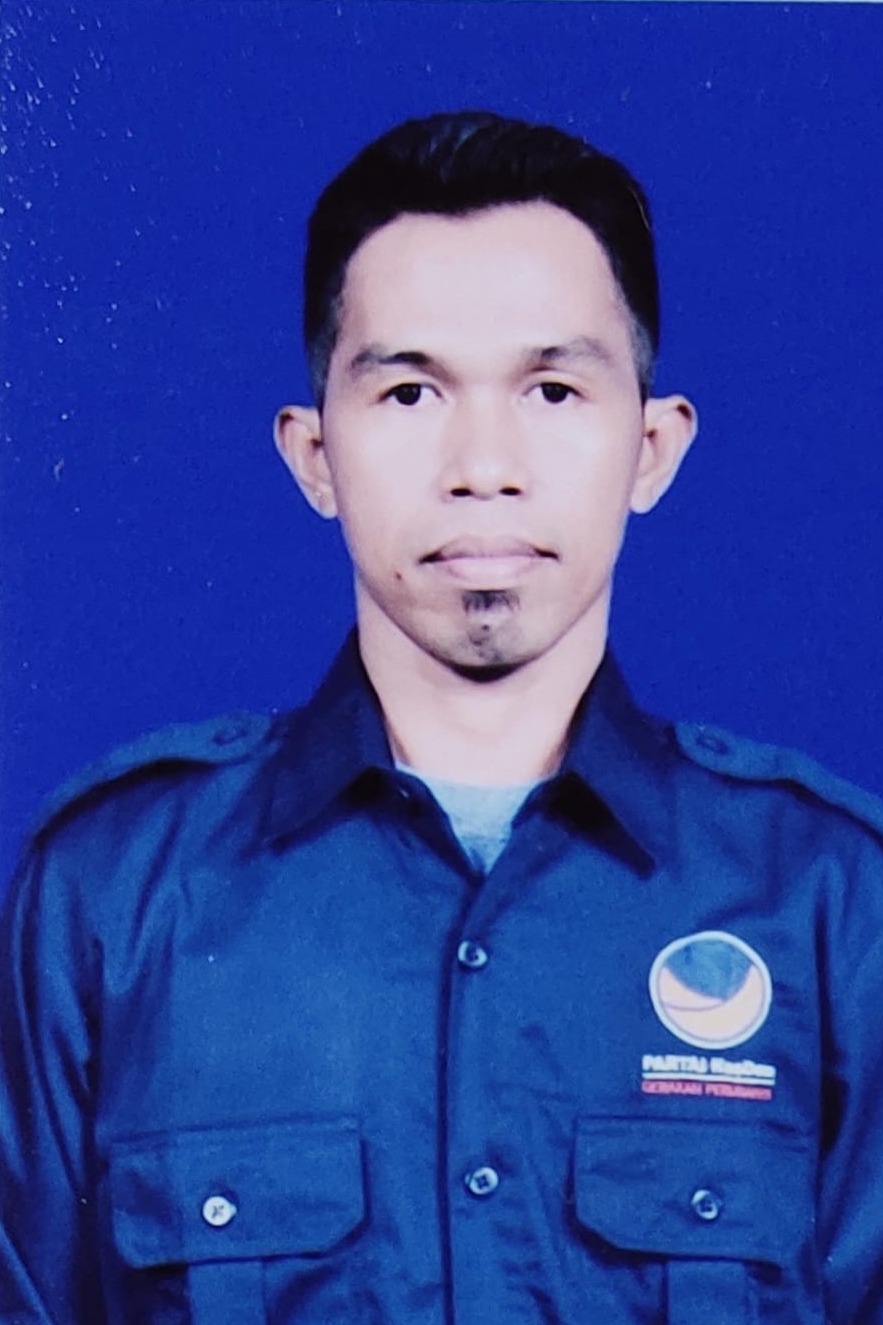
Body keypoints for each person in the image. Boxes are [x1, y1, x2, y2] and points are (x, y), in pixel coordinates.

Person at [2, 110, 882, 1325]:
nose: (483, 463)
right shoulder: (110, 891)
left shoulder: (831, 898)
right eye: (410, 390)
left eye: (553, 388)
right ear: (315, 454)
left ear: (650, 446)